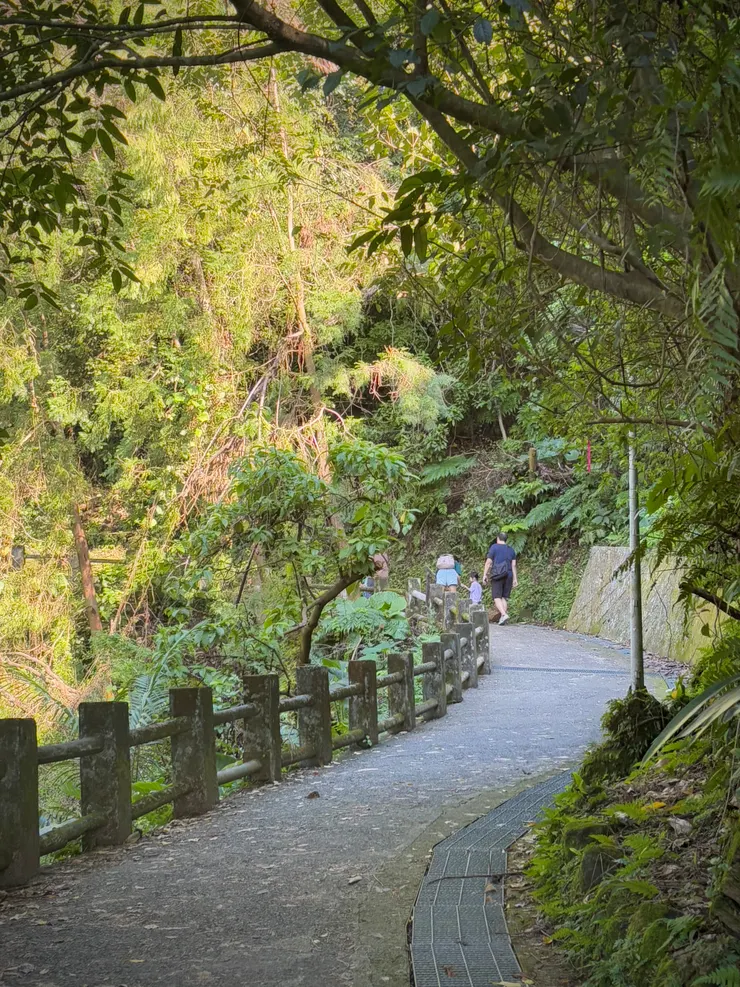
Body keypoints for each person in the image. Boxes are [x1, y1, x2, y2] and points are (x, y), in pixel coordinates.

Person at [483, 532, 518, 625]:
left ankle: (503, 614)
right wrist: (515, 579)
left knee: (496, 596)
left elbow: (488, 562)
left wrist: (484, 574)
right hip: (509, 574)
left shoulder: (494, 547)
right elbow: (513, 565)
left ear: (498, 538)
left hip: (498, 574)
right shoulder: (511, 550)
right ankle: (503, 618)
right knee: (504, 597)